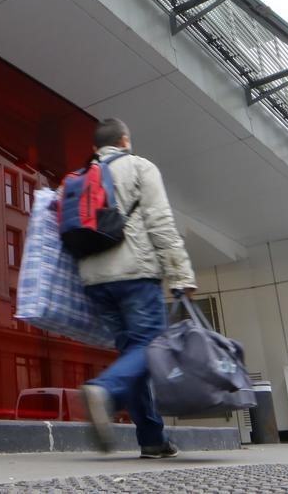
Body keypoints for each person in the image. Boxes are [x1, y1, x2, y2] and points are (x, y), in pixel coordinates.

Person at [77, 118, 197, 459]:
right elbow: (160, 223)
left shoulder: (78, 177)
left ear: (95, 149)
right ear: (125, 140)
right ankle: (105, 390)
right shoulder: (140, 167)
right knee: (150, 347)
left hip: (95, 281)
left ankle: (151, 439)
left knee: (135, 355)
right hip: (135, 274)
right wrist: (181, 276)